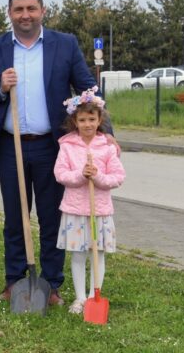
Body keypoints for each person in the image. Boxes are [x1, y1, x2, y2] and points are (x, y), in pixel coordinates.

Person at [0, 0, 110, 306]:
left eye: (31, 8)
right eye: (18, 9)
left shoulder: (65, 44)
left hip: (52, 146)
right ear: (9, 13)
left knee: (51, 217)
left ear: (43, 11)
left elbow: (89, 88)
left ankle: (52, 285)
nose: (25, 15)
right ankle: (15, 281)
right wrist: (0, 87)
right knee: (15, 217)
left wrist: (106, 131)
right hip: (11, 146)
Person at [54, 87, 125, 314]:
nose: (87, 124)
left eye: (92, 119)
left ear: (99, 119)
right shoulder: (67, 146)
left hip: (100, 210)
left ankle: (96, 295)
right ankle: (80, 298)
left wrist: (98, 176)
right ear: (75, 120)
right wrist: (79, 175)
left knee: (98, 253)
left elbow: (118, 177)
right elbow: (60, 174)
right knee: (78, 253)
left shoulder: (107, 147)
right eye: (82, 119)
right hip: (76, 210)